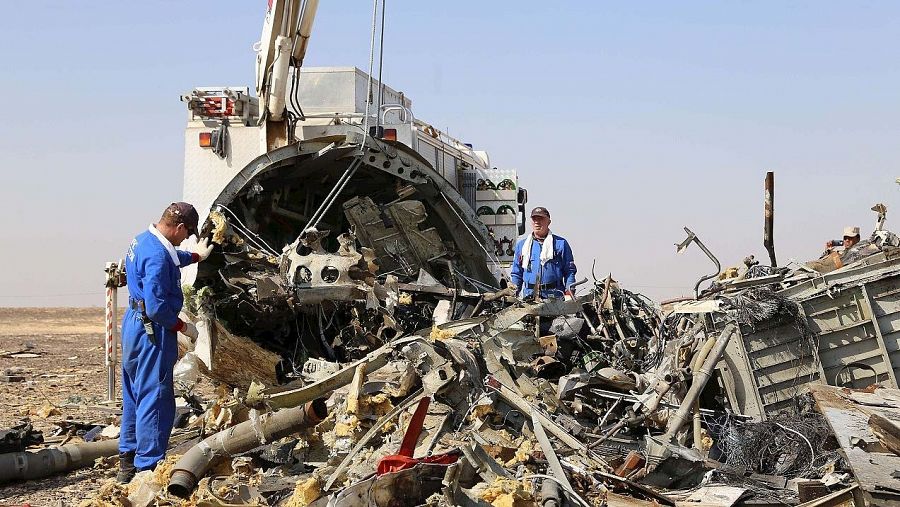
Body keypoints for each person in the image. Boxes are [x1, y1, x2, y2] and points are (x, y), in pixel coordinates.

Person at [118, 202, 214, 483]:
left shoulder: (142, 240)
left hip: (133, 325)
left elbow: (170, 257)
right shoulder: (159, 255)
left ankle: (127, 461)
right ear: (180, 227)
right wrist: (184, 327)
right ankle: (148, 468)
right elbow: (157, 308)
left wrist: (196, 256)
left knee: (134, 394)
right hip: (153, 330)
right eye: (186, 235)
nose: (185, 239)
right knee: (156, 398)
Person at [510, 207, 577, 300]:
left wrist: (569, 292)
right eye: (534, 219)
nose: (537, 222)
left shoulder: (560, 243)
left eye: (540, 219)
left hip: (555, 298)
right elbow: (517, 273)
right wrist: (513, 295)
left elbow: (569, 271)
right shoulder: (522, 246)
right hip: (529, 298)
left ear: (548, 222)